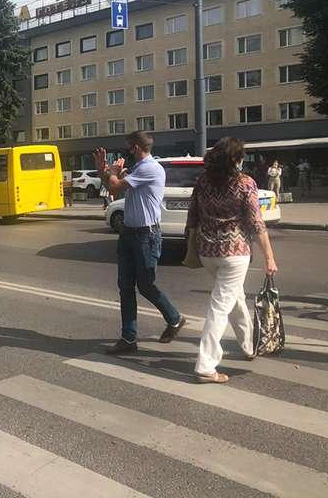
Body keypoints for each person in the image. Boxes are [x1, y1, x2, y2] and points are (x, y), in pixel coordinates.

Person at [185, 137, 278, 384]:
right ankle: (206, 365)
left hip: (207, 252)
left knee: (234, 297)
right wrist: (269, 257)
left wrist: (192, 244)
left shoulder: (203, 182)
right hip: (235, 253)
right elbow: (256, 223)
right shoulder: (245, 183)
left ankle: (248, 346)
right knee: (220, 306)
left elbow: (192, 216)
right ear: (236, 159)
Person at [95, 131, 186, 355]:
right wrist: (102, 170)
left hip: (146, 235)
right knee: (125, 287)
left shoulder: (149, 168)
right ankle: (128, 338)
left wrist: (113, 171)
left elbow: (115, 185)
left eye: (129, 147)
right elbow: (113, 186)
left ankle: (174, 318)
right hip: (129, 233)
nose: (127, 151)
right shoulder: (137, 169)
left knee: (146, 285)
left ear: (135, 147)